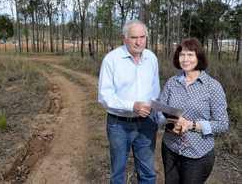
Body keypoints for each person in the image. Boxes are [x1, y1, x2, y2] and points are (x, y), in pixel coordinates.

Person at [159, 38, 229, 184]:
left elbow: (222, 124)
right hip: (170, 148)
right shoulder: (172, 83)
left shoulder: (212, 87)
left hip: (197, 154)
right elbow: (160, 112)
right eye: (182, 55)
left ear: (199, 57)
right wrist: (170, 121)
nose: (185, 59)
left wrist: (191, 125)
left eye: (190, 55)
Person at [98, 19, 160, 184]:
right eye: (134, 37)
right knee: (118, 173)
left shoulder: (151, 58)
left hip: (147, 123)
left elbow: (155, 91)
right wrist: (132, 106)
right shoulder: (112, 59)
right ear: (125, 38)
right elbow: (104, 96)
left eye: (142, 37)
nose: (139, 42)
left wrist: (158, 116)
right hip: (119, 125)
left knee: (147, 172)